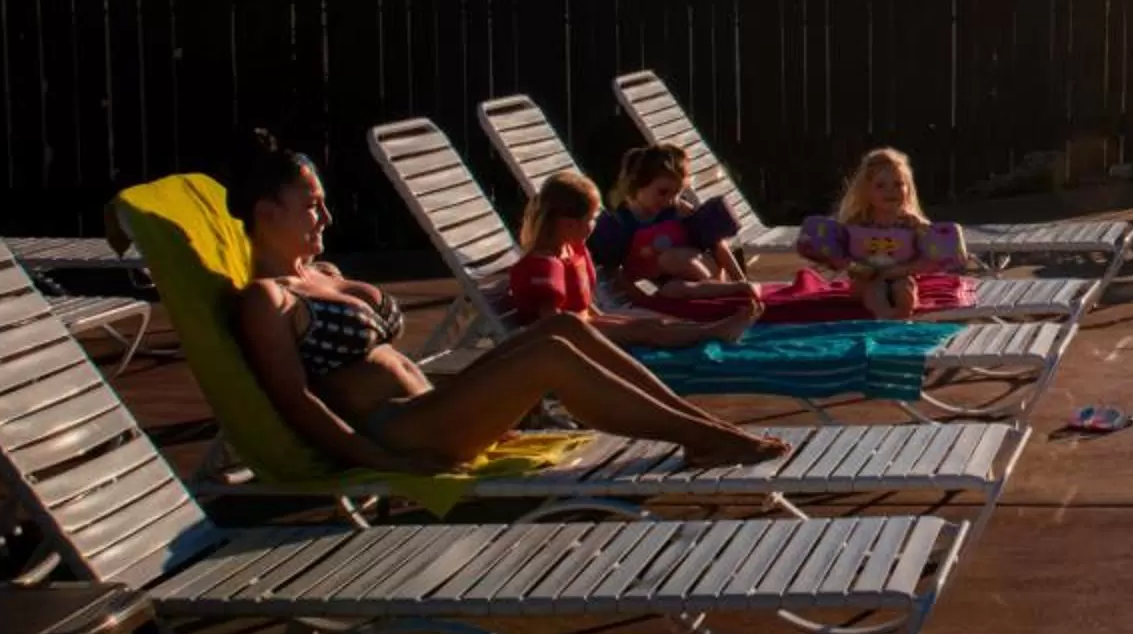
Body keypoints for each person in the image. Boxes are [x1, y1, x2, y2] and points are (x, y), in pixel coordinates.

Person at [229, 135, 784, 472]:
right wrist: (384, 463)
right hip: (401, 432)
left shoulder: (323, 273)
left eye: (324, 204)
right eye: (310, 205)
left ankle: (700, 428)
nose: (325, 217)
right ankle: (706, 437)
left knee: (564, 328)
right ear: (264, 212)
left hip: (434, 408)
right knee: (550, 356)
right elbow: (298, 402)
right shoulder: (266, 299)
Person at [512, 172, 760, 346]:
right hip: (569, 338)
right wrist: (615, 330)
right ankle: (713, 333)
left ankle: (710, 331)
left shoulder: (574, 250)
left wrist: (617, 318)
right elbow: (552, 325)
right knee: (647, 330)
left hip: (586, 324)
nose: (595, 225)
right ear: (567, 224)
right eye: (591, 218)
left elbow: (587, 309)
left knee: (653, 322)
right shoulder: (546, 264)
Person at [800, 147, 966, 321]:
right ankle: (885, 319)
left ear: (908, 189)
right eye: (881, 186)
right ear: (867, 192)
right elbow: (838, 257)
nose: (891, 191)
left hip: (900, 276)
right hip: (864, 282)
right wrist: (856, 268)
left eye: (898, 184)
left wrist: (899, 271)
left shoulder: (913, 225)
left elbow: (930, 259)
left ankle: (902, 320)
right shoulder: (854, 224)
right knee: (874, 291)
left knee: (905, 290)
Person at [591, 145, 753, 302]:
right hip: (671, 286)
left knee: (669, 258)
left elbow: (716, 242)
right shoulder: (621, 223)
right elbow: (615, 271)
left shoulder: (679, 210)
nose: (670, 200)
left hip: (706, 271)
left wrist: (740, 279)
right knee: (673, 290)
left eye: (677, 193)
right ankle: (717, 292)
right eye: (662, 192)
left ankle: (731, 289)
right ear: (637, 185)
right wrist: (641, 300)